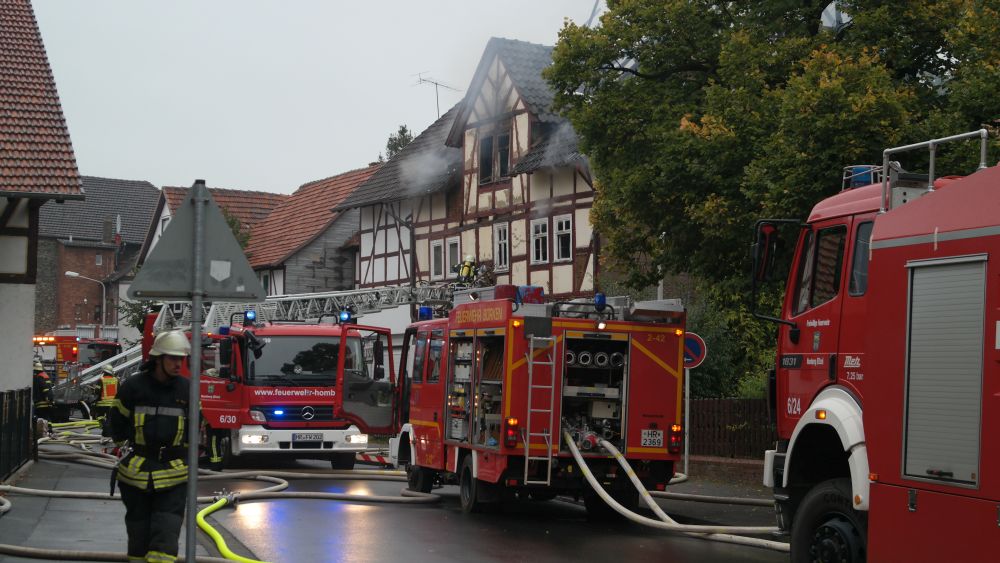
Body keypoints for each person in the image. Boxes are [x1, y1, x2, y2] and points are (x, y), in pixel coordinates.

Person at [109, 330, 193, 563]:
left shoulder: (186, 389)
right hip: (136, 475)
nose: (178, 364)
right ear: (158, 358)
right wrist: (123, 447)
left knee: (166, 535)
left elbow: (195, 427)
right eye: (173, 358)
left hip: (173, 475)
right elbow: (116, 422)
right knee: (138, 538)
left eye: (181, 359)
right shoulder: (133, 387)